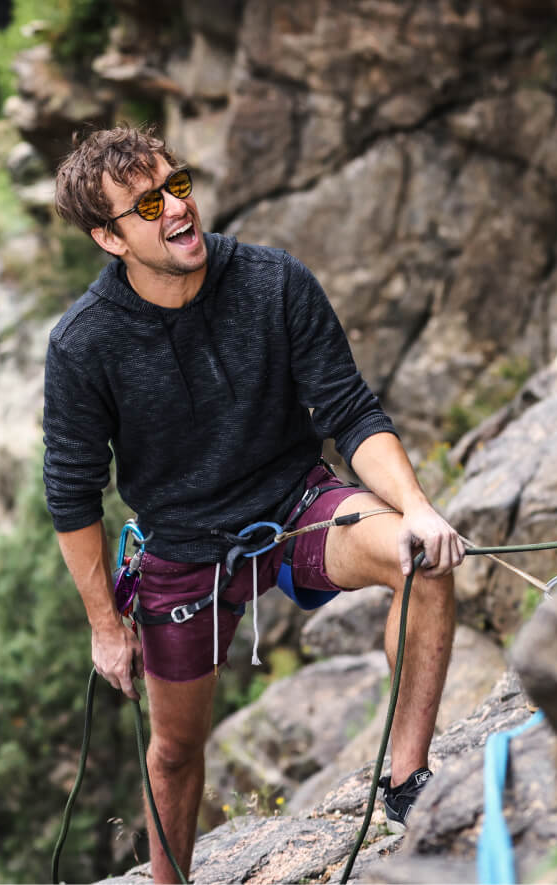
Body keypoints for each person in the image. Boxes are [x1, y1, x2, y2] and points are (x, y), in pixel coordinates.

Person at [43, 125, 466, 883]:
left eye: (176, 185)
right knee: (176, 752)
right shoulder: (84, 343)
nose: (177, 208)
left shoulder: (273, 280)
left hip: (295, 503)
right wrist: (106, 625)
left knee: (421, 560)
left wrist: (416, 506)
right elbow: (72, 493)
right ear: (109, 238)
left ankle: (407, 781)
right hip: (182, 545)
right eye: (148, 205)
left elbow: (350, 410)